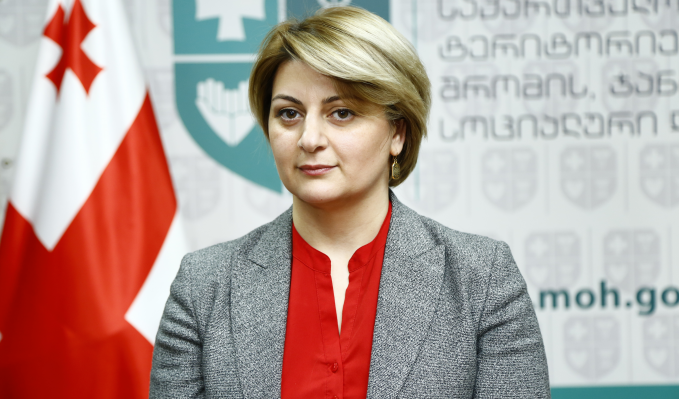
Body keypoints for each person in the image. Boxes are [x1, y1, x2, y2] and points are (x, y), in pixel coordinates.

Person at [150, 6, 550, 399]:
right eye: (289, 113)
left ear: (398, 133)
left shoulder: (482, 280)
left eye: (341, 113)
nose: (309, 139)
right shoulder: (204, 286)